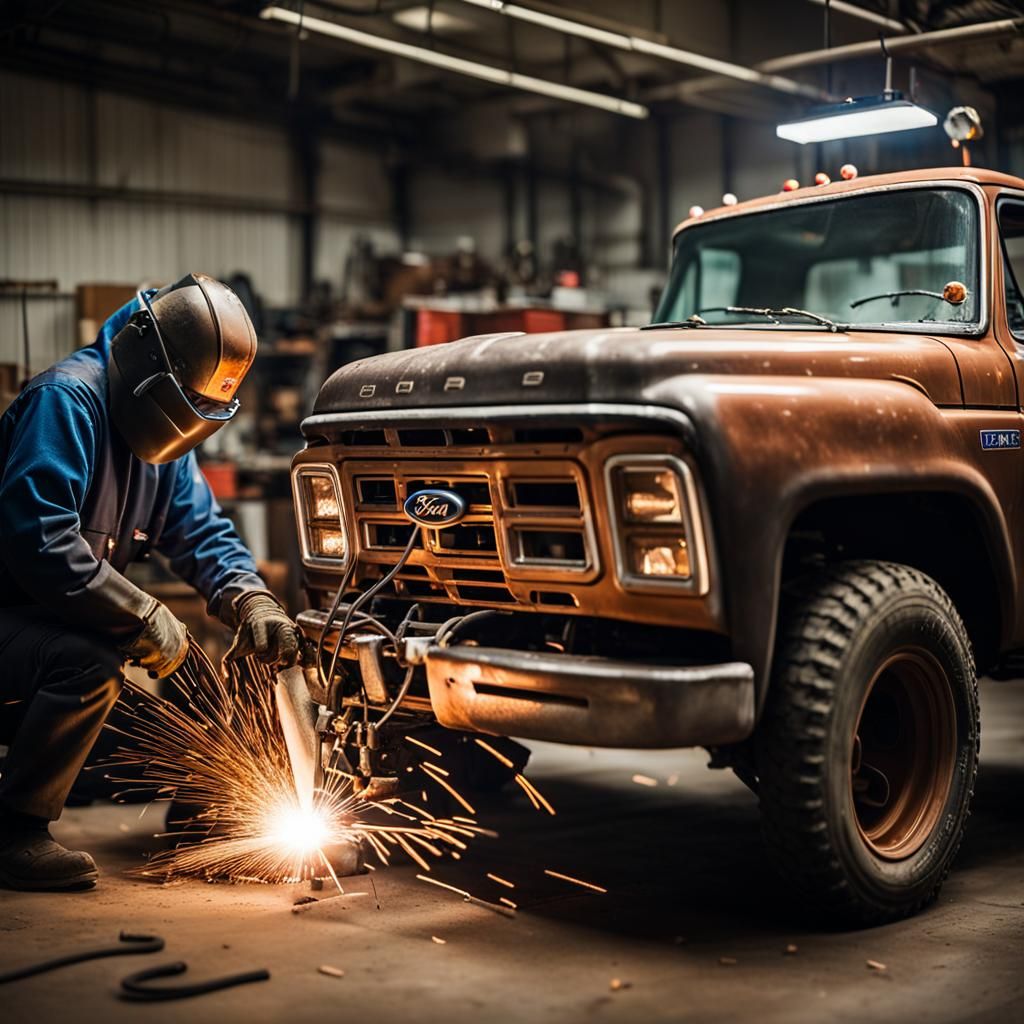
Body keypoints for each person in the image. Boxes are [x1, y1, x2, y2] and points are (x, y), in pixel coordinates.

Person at [0, 272, 302, 891]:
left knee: (206, 666)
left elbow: (200, 535)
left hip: (56, 625)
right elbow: (37, 539)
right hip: (11, 624)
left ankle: (209, 811)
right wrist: (138, 612)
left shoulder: (165, 443)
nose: (183, 432)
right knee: (91, 660)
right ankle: (13, 832)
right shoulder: (65, 402)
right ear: (143, 366)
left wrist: (250, 598)